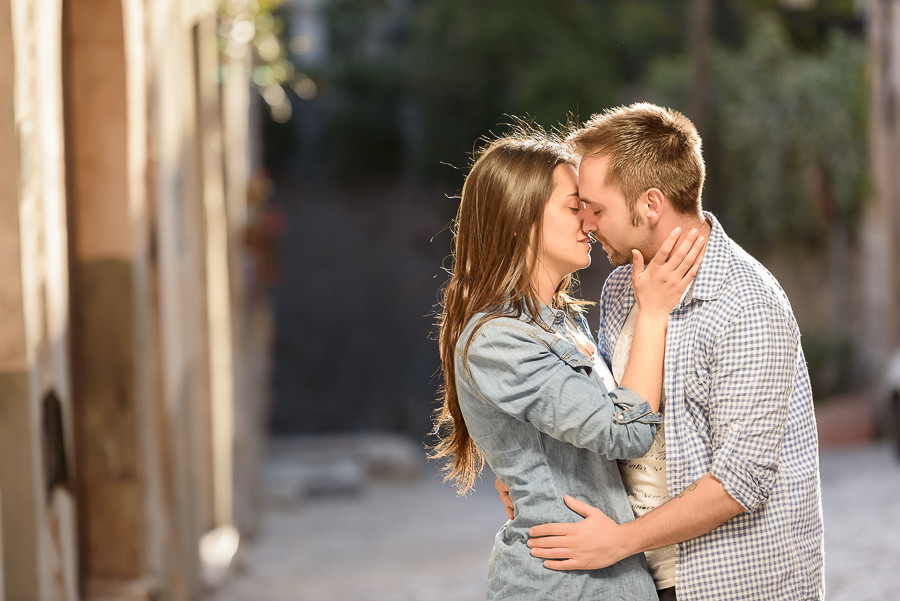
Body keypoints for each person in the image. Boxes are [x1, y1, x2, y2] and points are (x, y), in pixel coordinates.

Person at [518, 103, 825, 600]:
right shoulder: (621, 289)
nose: (589, 224)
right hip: (642, 579)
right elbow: (608, 422)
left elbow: (738, 484)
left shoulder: (744, 302)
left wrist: (617, 543)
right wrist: (535, 475)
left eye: (598, 209)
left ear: (651, 205)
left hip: (732, 585)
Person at [431, 128, 707, 600]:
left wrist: (527, 475)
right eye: (573, 206)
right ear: (522, 221)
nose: (590, 221)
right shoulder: (497, 339)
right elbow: (625, 430)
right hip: (558, 585)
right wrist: (655, 312)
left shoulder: (564, 323)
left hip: (613, 579)